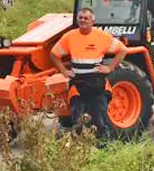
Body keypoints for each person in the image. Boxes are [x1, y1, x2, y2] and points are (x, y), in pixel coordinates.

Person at [50, 7, 127, 143]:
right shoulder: (70, 37)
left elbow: (122, 50)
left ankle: (104, 147)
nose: (83, 20)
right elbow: (54, 54)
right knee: (77, 119)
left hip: (96, 84)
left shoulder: (102, 36)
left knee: (99, 119)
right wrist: (63, 71)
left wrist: (110, 67)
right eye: (80, 18)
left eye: (86, 18)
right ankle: (80, 148)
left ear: (93, 20)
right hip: (77, 84)